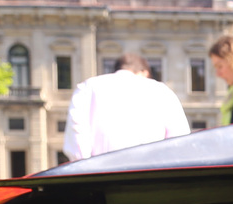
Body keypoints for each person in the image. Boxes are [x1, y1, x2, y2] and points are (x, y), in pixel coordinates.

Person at [62, 52, 190, 161]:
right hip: (150, 177)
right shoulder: (162, 91)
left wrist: (86, 167)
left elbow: (76, 134)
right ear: (144, 72)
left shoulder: (87, 87)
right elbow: (179, 143)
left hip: (100, 178)